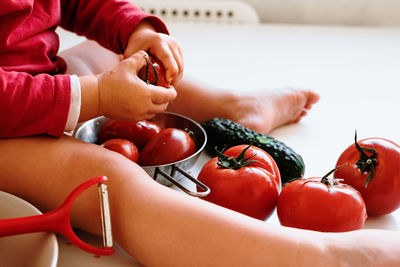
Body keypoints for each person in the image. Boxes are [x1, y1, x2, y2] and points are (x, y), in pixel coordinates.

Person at [0, 0, 398, 266]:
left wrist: (133, 29)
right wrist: (95, 95)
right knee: (111, 182)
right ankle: (318, 256)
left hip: (33, 82)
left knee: (105, 56)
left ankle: (231, 108)